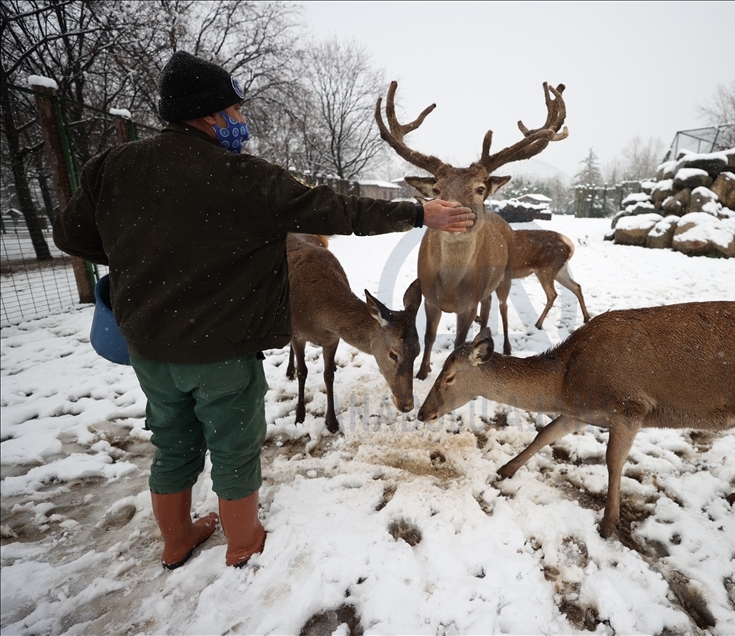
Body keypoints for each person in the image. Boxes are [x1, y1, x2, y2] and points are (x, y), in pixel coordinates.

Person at [53, 51, 473, 570]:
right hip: (221, 345)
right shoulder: (242, 176)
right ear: (210, 114)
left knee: (173, 441)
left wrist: (142, 251)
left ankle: (176, 541)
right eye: (235, 109)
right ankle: (243, 542)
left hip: (148, 346)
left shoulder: (111, 167)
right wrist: (417, 213)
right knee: (234, 443)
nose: (241, 119)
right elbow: (336, 210)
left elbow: (70, 235)